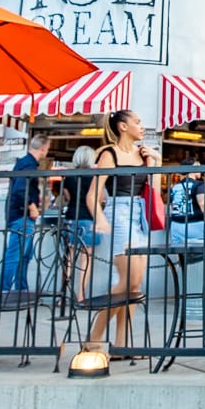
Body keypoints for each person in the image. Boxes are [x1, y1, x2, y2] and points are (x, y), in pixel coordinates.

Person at [85, 110, 159, 355]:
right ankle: (94, 338)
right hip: (119, 213)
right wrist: (101, 218)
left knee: (135, 286)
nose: (142, 126)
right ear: (123, 127)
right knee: (127, 281)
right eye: (137, 122)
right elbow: (92, 195)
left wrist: (155, 162)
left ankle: (122, 343)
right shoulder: (110, 153)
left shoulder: (142, 154)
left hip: (139, 215)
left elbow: (154, 192)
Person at [3, 135, 49, 294]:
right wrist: (32, 206)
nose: (47, 151)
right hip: (21, 216)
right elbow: (20, 189)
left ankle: (20, 290)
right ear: (43, 147)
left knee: (23, 256)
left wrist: (35, 198)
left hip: (18, 215)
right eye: (47, 148)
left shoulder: (23, 163)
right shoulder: (29, 165)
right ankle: (5, 291)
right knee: (16, 256)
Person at [61, 145, 105, 303]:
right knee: (86, 259)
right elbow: (98, 200)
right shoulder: (94, 177)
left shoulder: (69, 176)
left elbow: (67, 197)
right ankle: (81, 295)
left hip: (71, 217)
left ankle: (63, 295)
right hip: (88, 219)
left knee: (69, 258)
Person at [167, 155, 205, 244]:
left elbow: (173, 204)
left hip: (176, 225)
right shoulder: (199, 184)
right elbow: (203, 204)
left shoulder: (175, 186)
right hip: (195, 224)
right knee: (198, 254)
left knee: (181, 254)